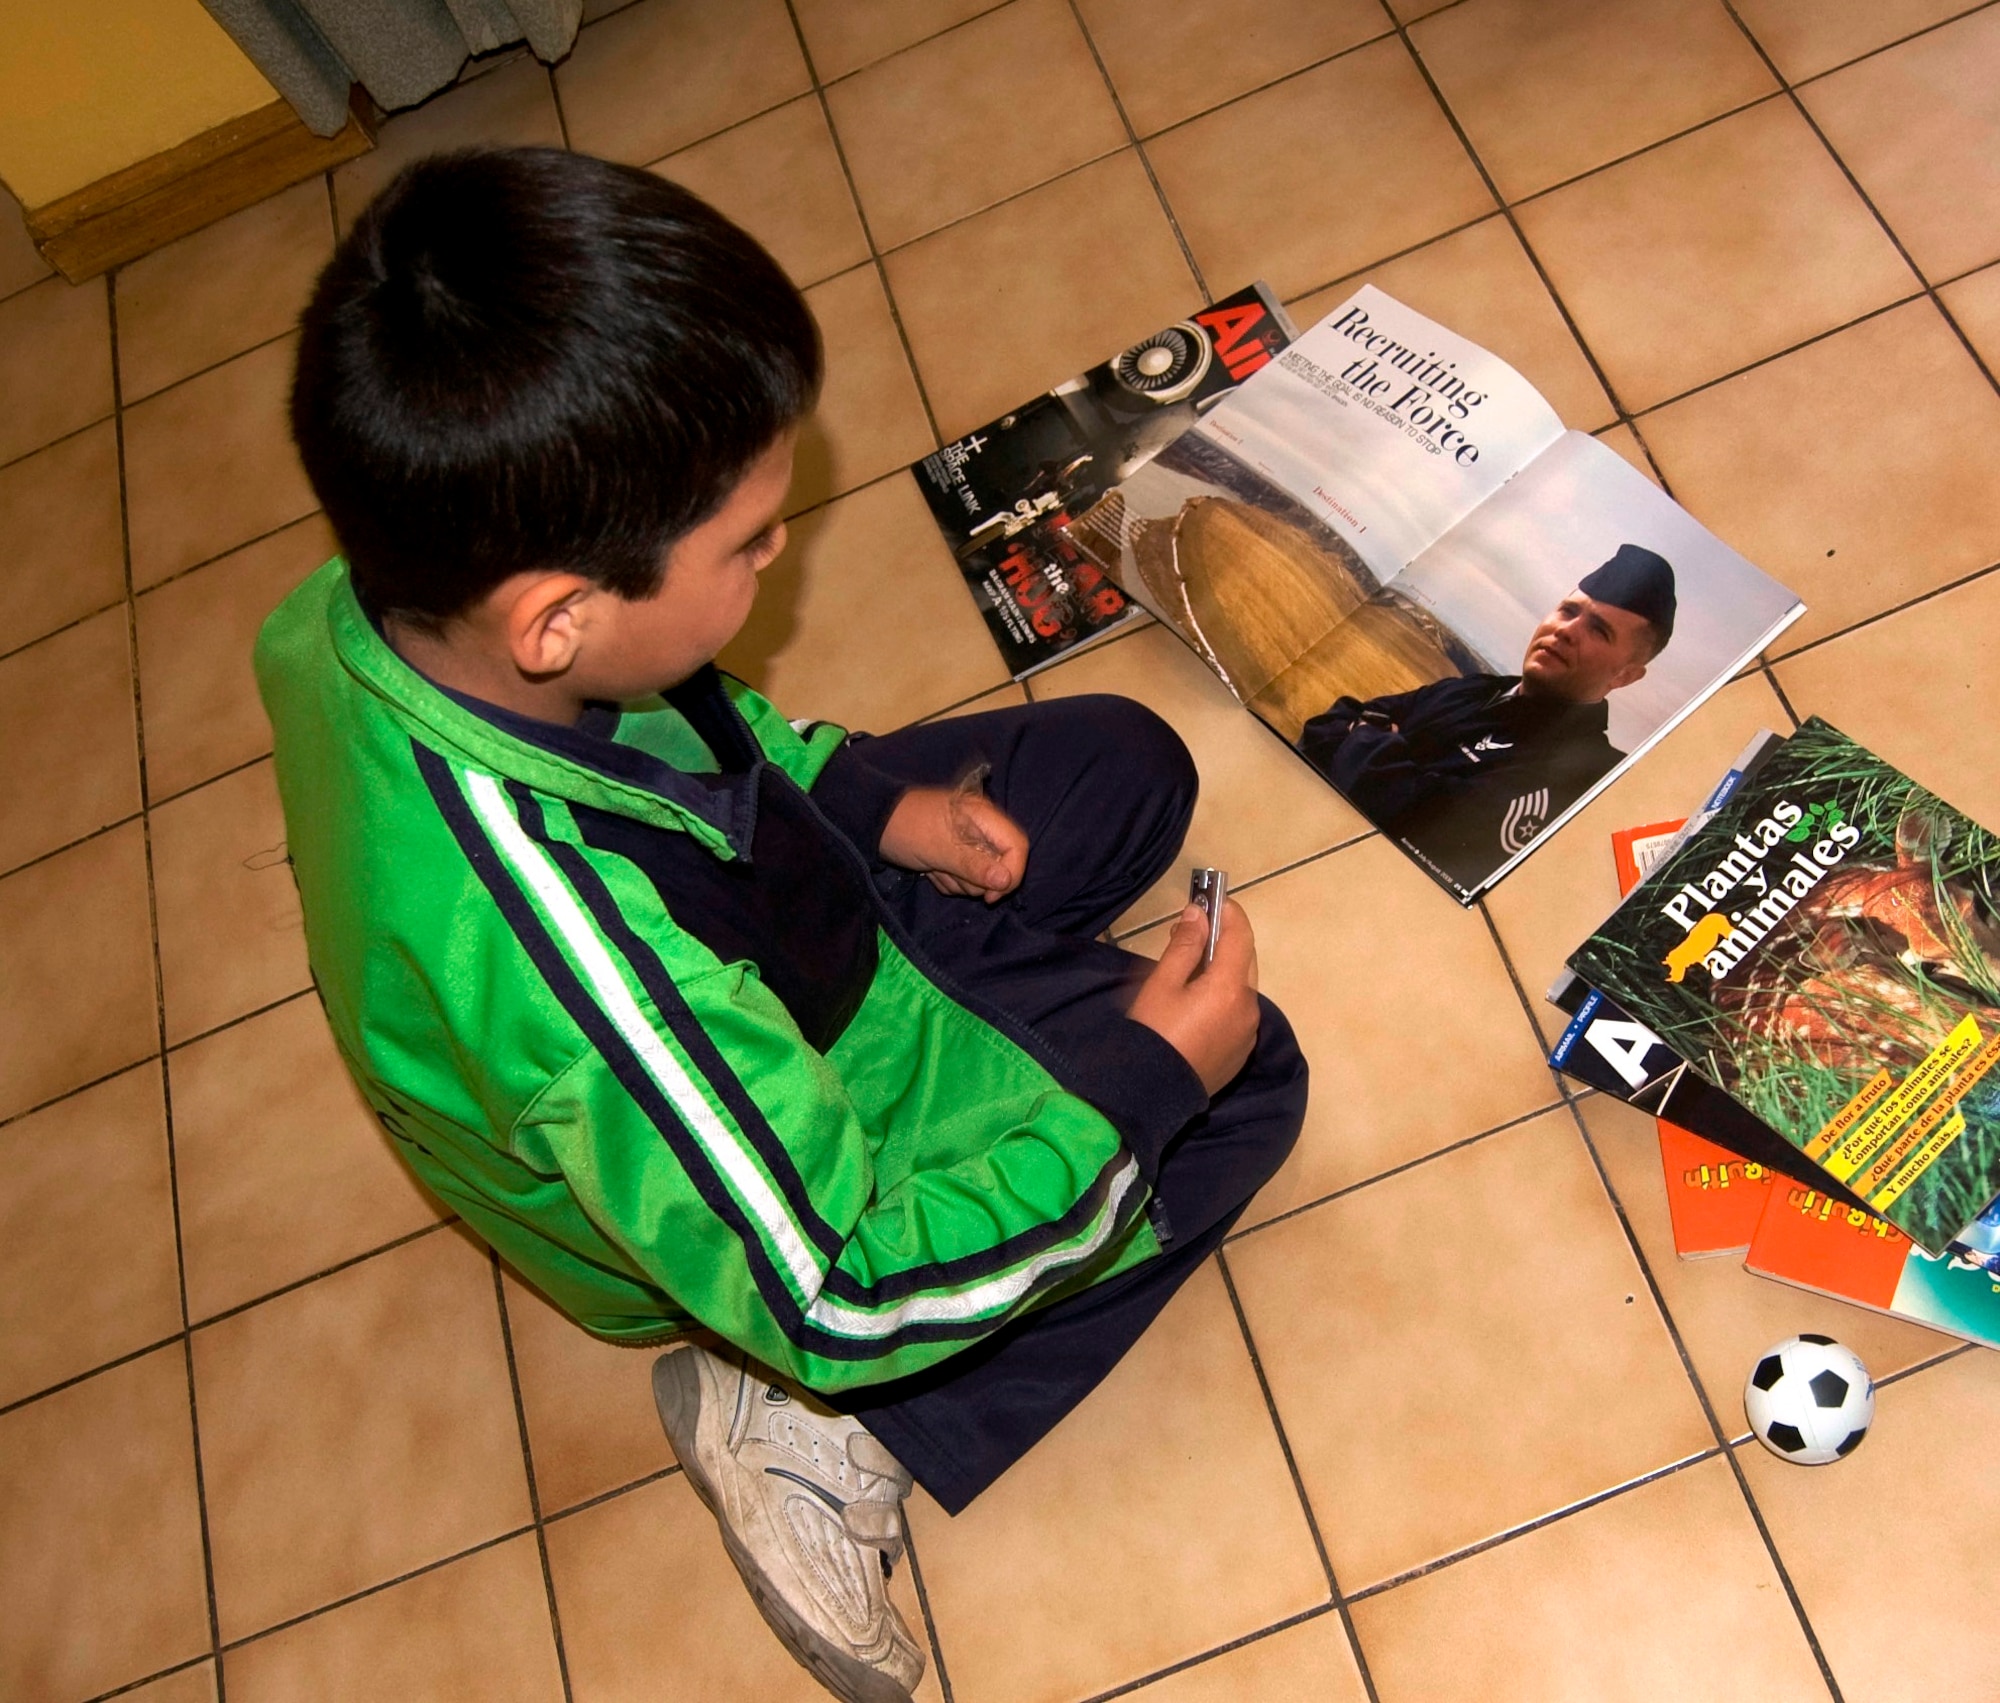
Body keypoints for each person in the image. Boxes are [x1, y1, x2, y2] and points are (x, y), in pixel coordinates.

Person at [259, 147, 1307, 1703]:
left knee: (1125, 774)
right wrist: (1144, 1083)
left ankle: (974, 964)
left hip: (755, 914)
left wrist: (875, 803)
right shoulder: (571, 962)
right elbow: (838, 1288)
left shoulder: (375, 605)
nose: (780, 561)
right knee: (1241, 1088)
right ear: (558, 613)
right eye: (750, 545)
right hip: (747, 1141)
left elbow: (685, 713)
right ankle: (819, 1432)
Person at [1296, 545, 1676, 894]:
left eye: (1599, 630)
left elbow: (1426, 833)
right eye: (1569, 610)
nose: (1566, 631)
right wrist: (1392, 765)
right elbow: (1320, 731)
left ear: (1624, 676)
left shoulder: (1587, 774)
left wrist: (1365, 738)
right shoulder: (1474, 690)